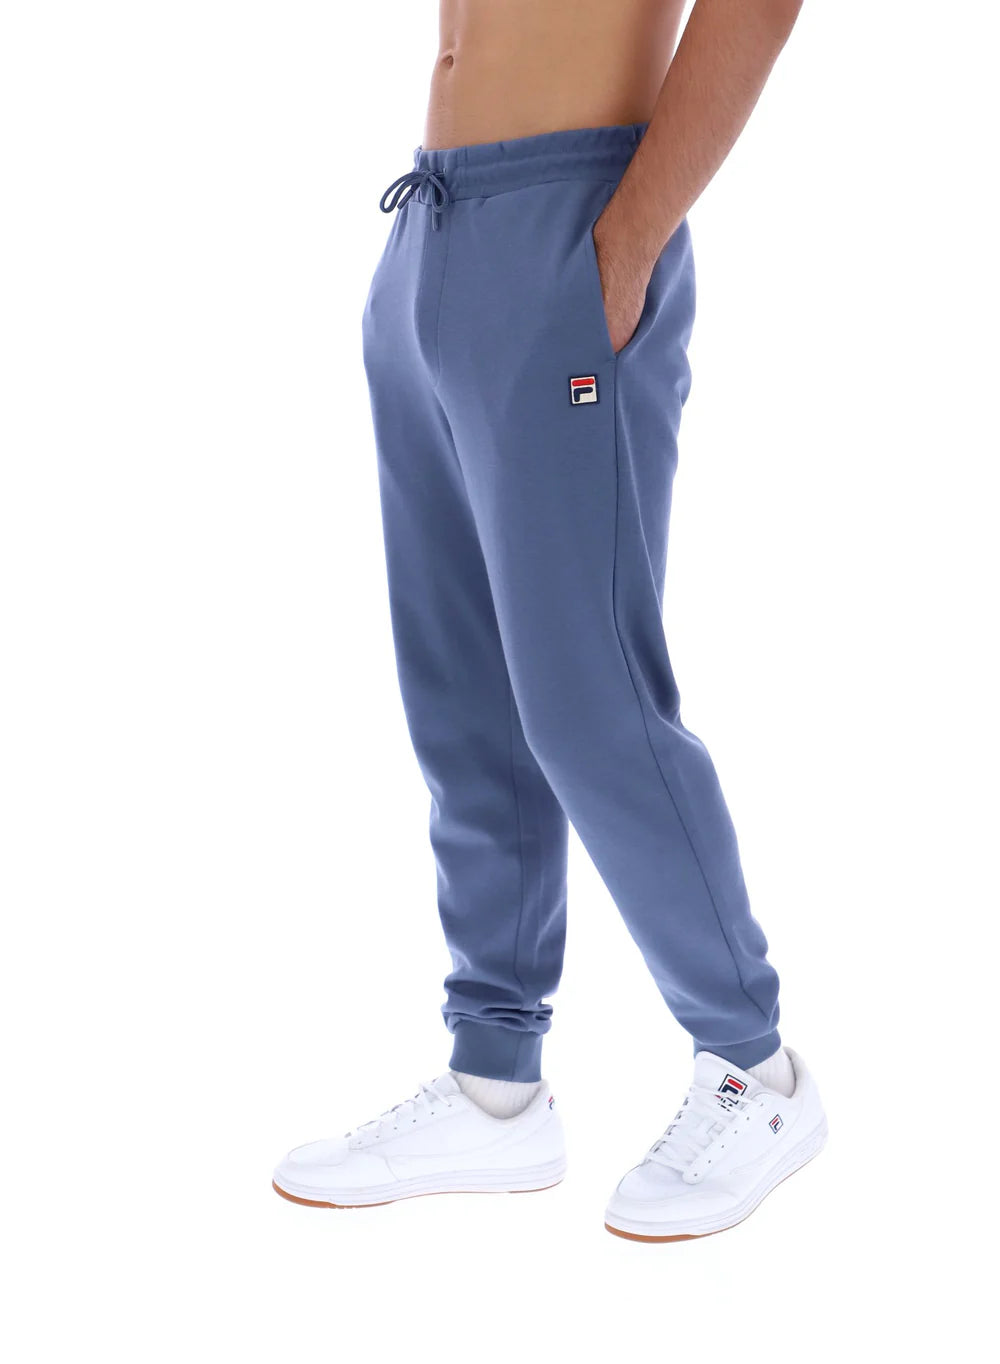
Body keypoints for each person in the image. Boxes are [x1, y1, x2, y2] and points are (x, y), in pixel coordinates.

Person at [273, 0, 827, 1241]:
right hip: (433, 223)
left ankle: (756, 1066)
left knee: (587, 700)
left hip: (572, 225)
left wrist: (625, 242)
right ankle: (495, 1084)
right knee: (463, 700)